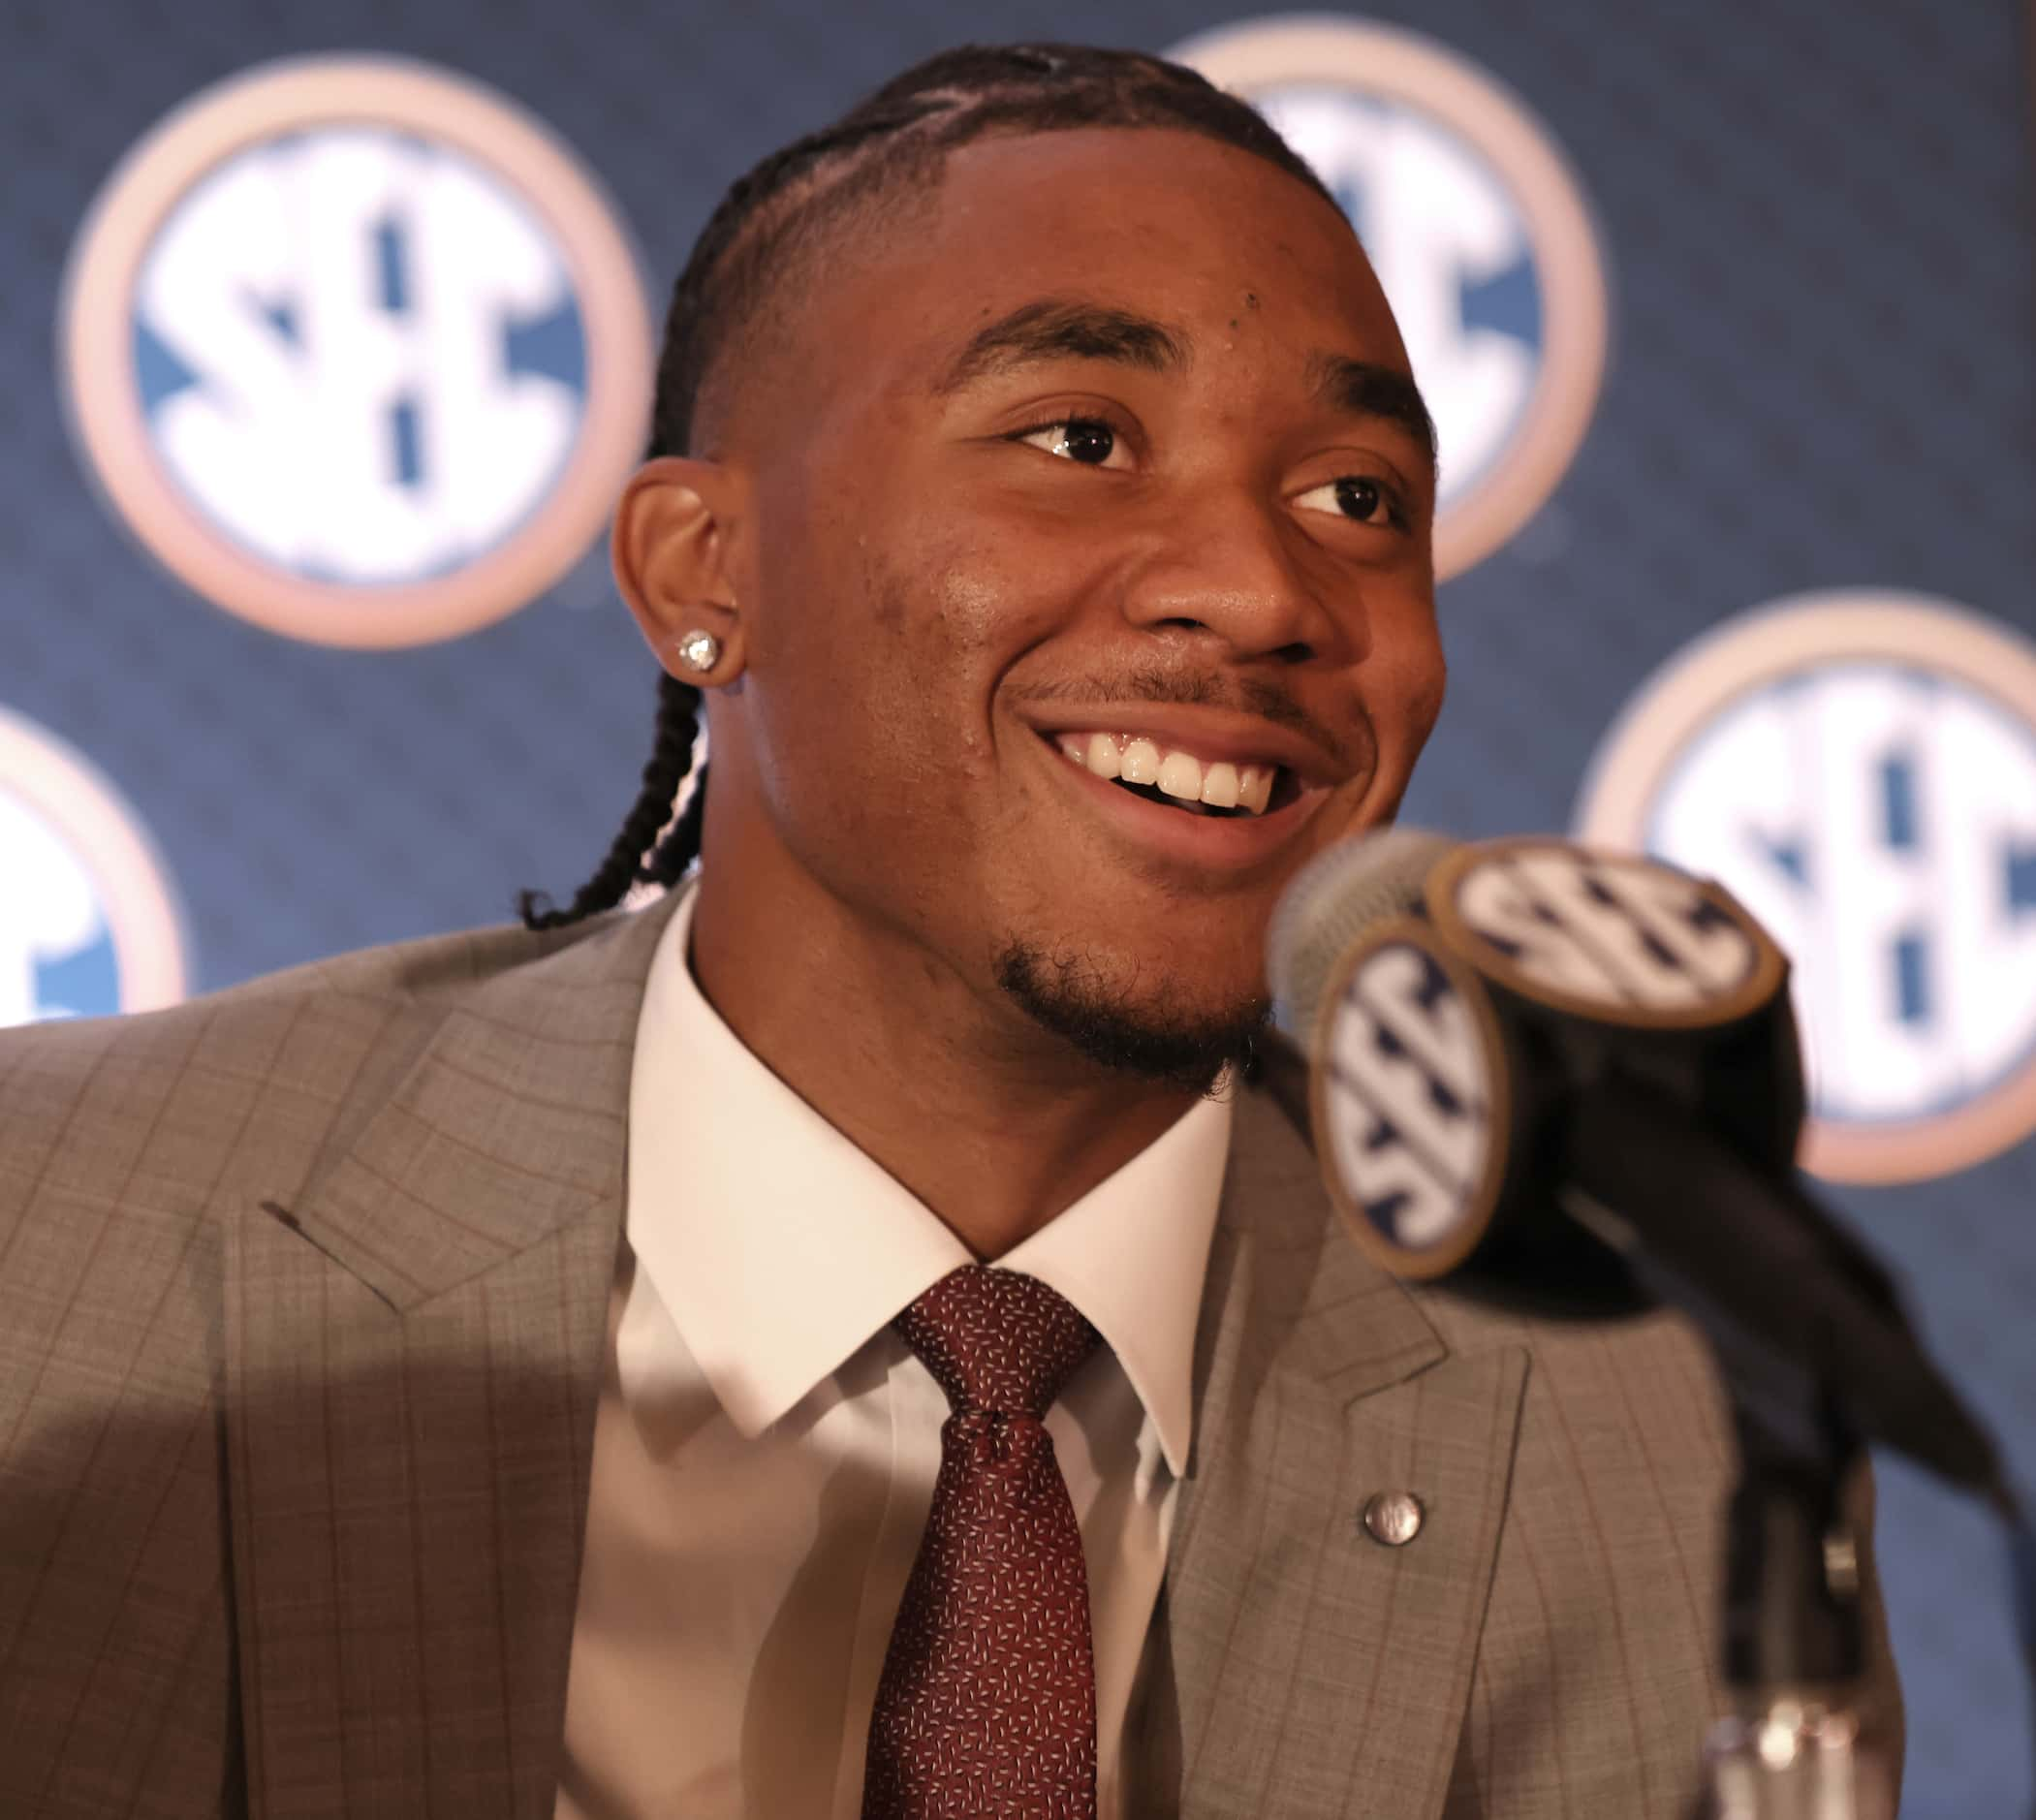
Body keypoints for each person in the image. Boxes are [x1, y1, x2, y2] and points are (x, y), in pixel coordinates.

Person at [0, 42, 1897, 1820]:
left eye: (1356, 497)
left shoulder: (1649, 1414)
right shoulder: (55, 1241)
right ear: (700, 571)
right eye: (1079, 438)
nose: (1260, 588)